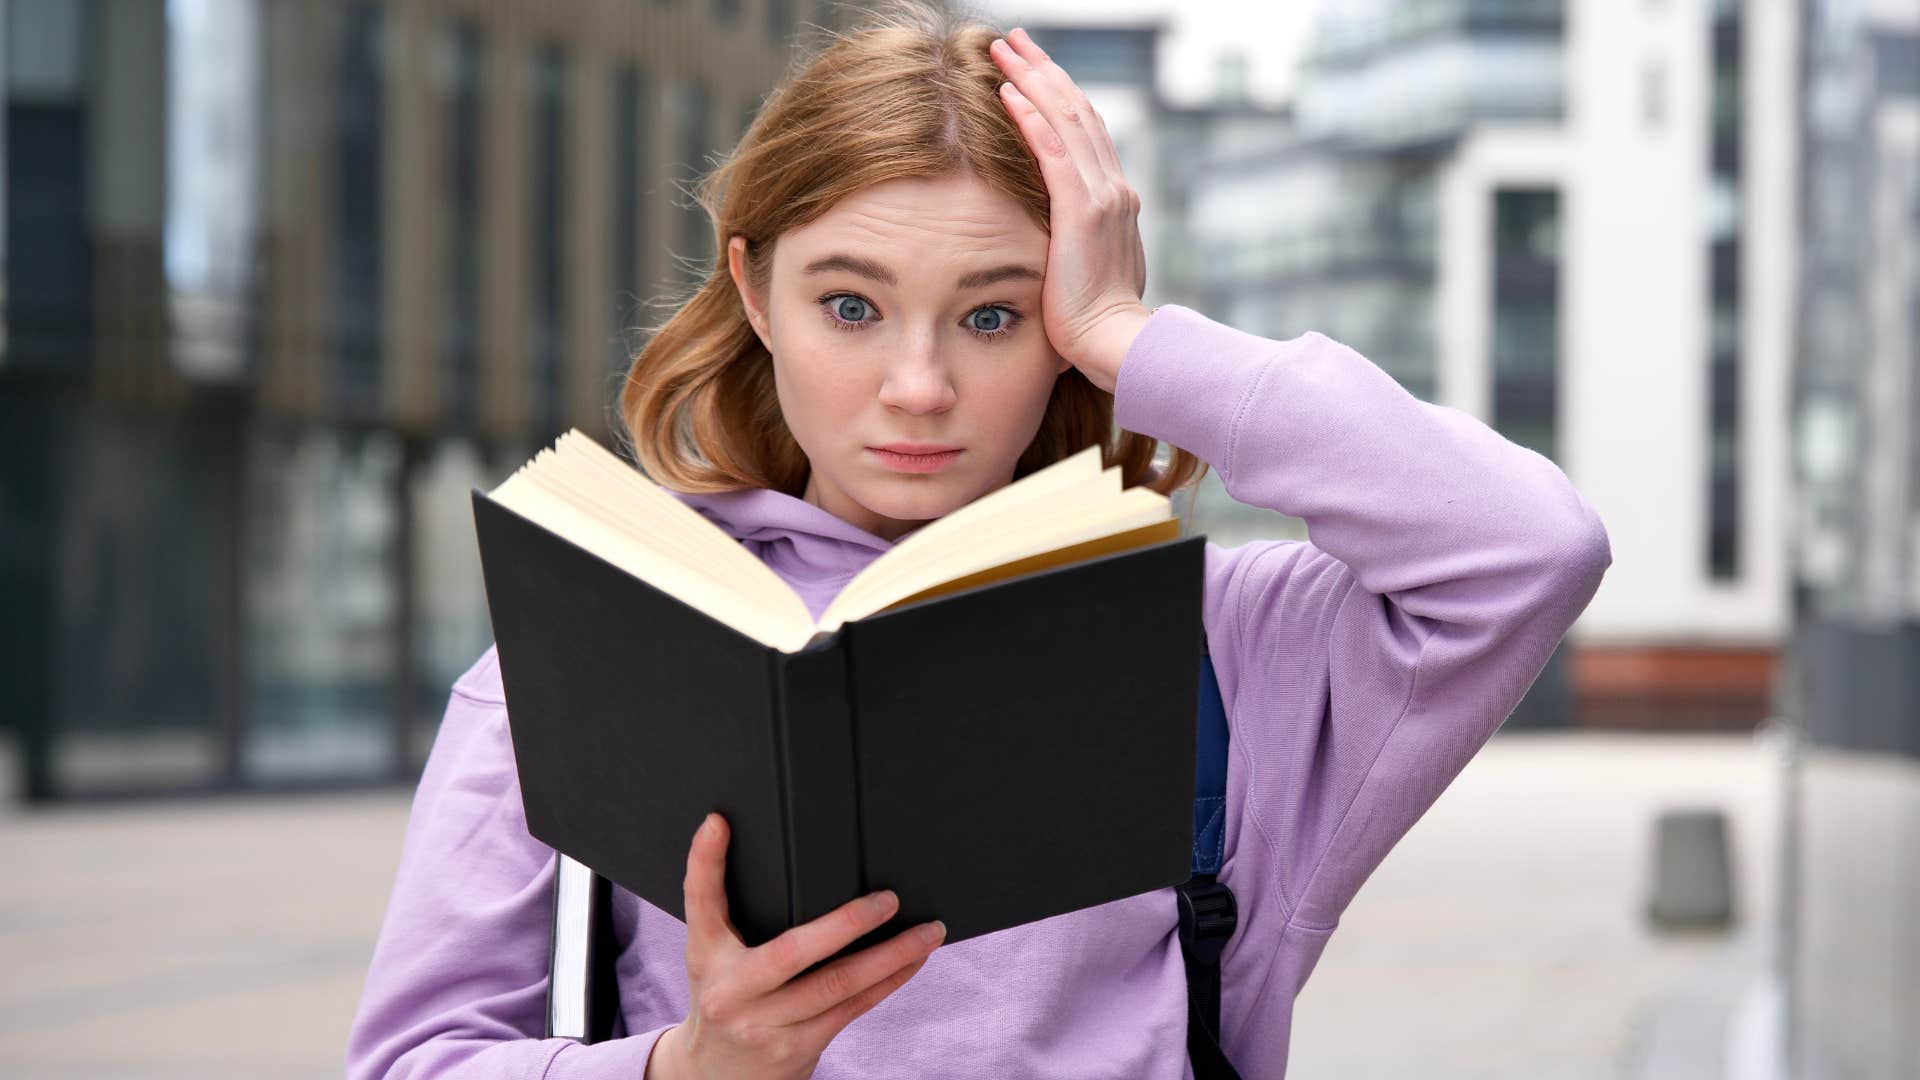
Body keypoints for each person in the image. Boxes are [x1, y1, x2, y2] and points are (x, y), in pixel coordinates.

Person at [344, 5, 1612, 1078]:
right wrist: (690, 1067)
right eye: (850, 305)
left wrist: (1133, 334)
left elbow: (1527, 548)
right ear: (752, 293)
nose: (918, 386)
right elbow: (410, 1062)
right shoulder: (600, 637)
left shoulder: (1219, 642)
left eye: (994, 317)